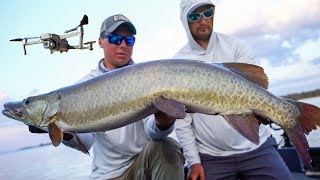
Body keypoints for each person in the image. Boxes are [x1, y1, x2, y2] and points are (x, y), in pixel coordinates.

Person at [29, 14, 185, 180]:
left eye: (129, 40)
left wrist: (164, 122)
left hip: (145, 166)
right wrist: (65, 132)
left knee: (168, 146)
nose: (123, 45)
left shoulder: (146, 79)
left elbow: (154, 132)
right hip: (107, 175)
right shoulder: (83, 87)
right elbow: (86, 141)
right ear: (100, 41)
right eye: (116, 39)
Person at [174, 0, 293, 179]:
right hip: (212, 157)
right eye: (194, 16)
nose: (203, 20)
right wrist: (194, 161)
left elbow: (257, 89)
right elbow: (182, 120)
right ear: (185, 20)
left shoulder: (236, 46)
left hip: (256, 147)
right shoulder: (177, 64)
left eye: (208, 13)